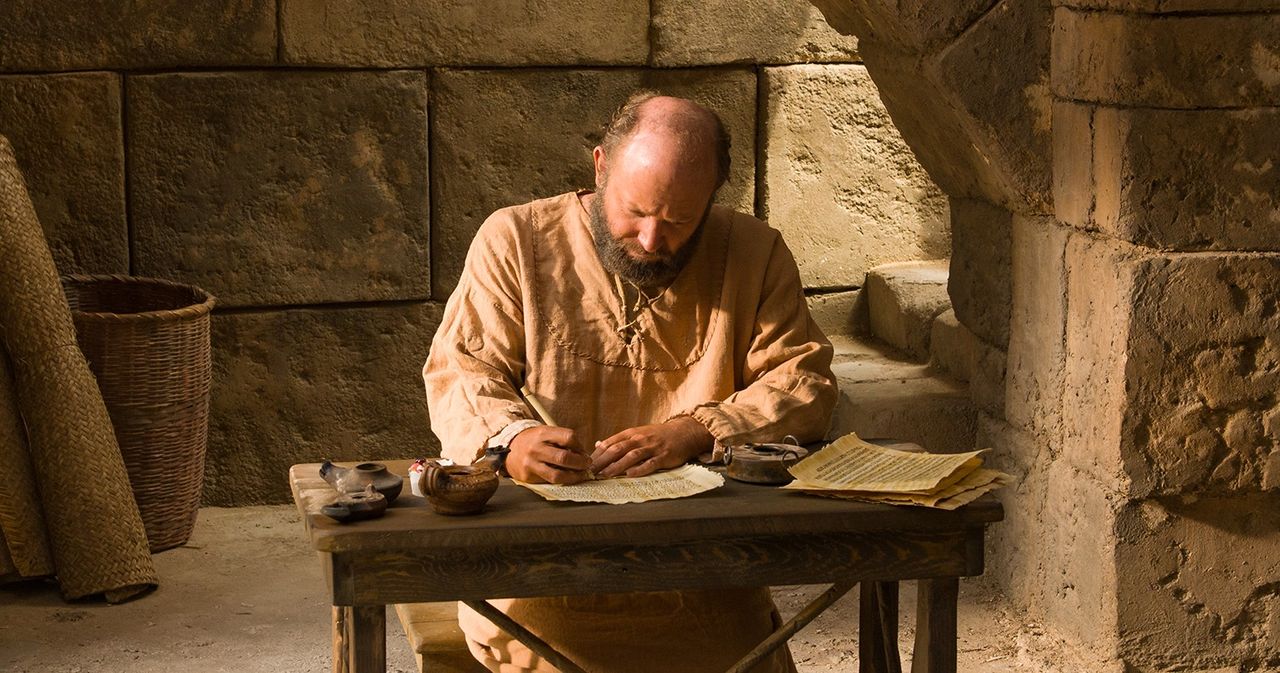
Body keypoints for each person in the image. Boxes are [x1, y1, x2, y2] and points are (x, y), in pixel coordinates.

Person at [423, 91, 837, 673]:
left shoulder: (754, 252)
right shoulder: (515, 239)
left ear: (713, 198)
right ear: (600, 167)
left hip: (705, 568)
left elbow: (804, 381)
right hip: (539, 570)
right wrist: (511, 440)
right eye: (634, 211)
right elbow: (462, 369)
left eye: (677, 221)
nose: (649, 240)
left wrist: (696, 430)